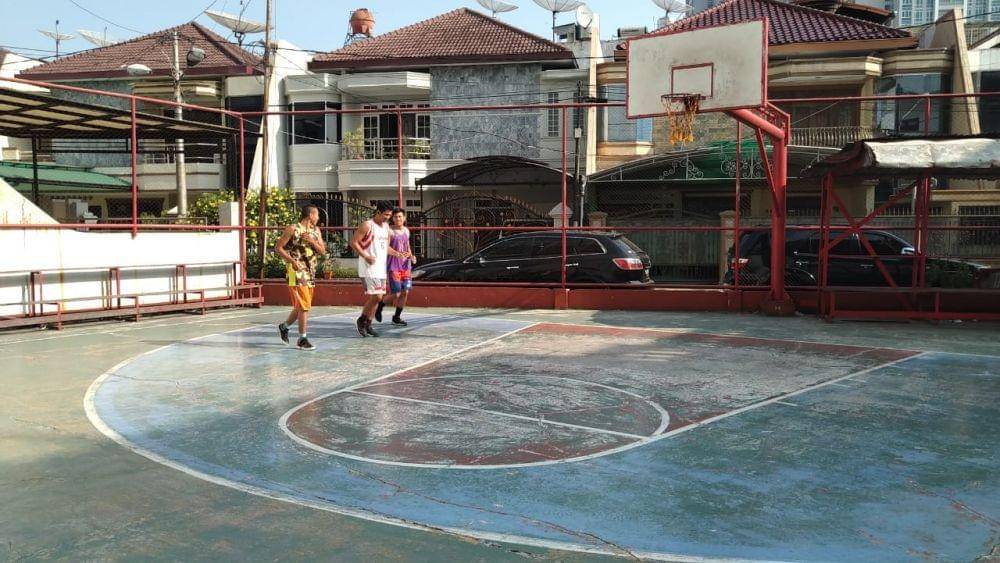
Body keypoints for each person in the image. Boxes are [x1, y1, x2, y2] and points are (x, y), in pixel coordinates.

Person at [350, 201, 410, 337]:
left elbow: (386, 247)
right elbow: (354, 242)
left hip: (381, 268)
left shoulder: (386, 227)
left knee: (379, 297)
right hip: (368, 268)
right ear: (378, 212)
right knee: (377, 296)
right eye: (386, 215)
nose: (388, 217)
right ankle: (361, 320)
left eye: (389, 215)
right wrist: (365, 256)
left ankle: (369, 324)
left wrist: (397, 253)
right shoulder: (367, 225)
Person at [275, 205, 325, 351]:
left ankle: (284, 327)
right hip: (296, 271)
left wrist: (312, 241)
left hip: (310, 271)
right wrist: (291, 261)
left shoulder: (316, 231)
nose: (318, 218)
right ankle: (302, 339)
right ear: (310, 215)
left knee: (302, 305)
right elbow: (278, 248)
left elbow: (322, 251)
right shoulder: (293, 229)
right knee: (304, 305)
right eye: (317, 215)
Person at [376, 207, 415, 326]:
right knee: (396, 293)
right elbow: (386, 247)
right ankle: (380, 306)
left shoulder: (406, 231)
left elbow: (407, 245)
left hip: (405, 266)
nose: (398, 219)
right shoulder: (389, 231)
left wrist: (411, 256)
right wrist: (397, 254)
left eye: (400, 216)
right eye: (395, 217)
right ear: (392, 218)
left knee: (405, 292)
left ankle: (396, 317)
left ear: (404, 218)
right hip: (394, 266)